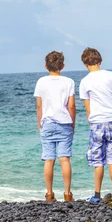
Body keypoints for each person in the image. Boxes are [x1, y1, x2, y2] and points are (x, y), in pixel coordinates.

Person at [79, 47, 112, 203]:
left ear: (85, 64)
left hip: (97, 122)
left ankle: (97, 195)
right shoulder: (111, 75)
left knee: (97, 159)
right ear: (100, 61)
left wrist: (90, 120)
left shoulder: (85, 81)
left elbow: (88, 106)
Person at [34, 51, 76, 202]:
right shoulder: (68, 82)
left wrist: (40, 123)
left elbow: (39, 106)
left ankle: (50, 193)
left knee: (49, 159)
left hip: (47, 122)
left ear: (46, 66)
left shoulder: (41, 82)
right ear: (63, 66)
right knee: (64, 159)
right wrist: (73, 123)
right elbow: (71, 106)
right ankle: (67, 193)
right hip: (64, 122)